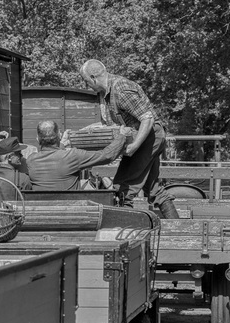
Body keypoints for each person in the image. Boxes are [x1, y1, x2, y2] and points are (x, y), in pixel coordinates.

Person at [78, 59, 179, 217]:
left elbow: (148, 118)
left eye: (86, 81)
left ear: (93, 78)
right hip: (146, 136)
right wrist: (90, 130)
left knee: (123, 188)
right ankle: (177, 228)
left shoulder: (121, 88)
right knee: (152, 188)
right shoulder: (105, 95)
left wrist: (134, 146)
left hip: (148, 137)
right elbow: (114, 125)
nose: (86, 86)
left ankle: (125, 232)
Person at [27, 120, 125, 191]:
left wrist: (62, 145)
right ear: (60, 136)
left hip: (42, 211)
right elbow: (106, 156)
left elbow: (52, 156)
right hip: (72, 210)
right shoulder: (72, 156)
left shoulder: (31, 160)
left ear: (37, 139)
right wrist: (122, 136)